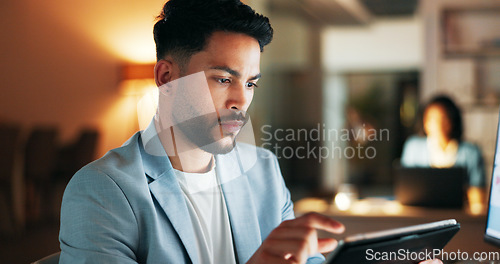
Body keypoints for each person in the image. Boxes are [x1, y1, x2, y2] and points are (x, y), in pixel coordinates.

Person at [59, 0, 443, 263]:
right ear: (166, 77)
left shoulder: (262, 170)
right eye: (224, 78)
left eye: (251, 83)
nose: (241, 101)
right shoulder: (102, 190)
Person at [401, 95, 486, 206]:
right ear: (424, 122)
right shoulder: (413, 147)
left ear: (453, 120)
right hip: (420, 214)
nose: (438, 124)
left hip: (459, 217)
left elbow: (477, 199)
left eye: (443, 118)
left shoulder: (470, 152)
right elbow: (406, 190)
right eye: (432, 119)